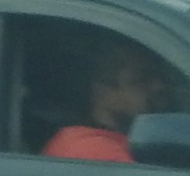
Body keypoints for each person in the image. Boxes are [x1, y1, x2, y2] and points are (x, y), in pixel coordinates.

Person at [43, 39, 175, 162]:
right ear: (103, 93)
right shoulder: (94, 149)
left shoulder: (81, 139)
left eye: (160, 78)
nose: (158, 86)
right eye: (141, 80)